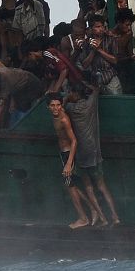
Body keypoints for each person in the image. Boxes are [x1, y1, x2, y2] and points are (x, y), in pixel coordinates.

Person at [64, 84, 122, 226]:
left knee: (89, 187)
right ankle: (115, 216)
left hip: (82, 155)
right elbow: (96, 87)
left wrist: (66, 99)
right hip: (95, 153)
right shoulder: (91, 103)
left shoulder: (71, 109)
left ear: (74, 93)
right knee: (102, 186)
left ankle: (102, 218)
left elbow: (64, 104)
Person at [48, 95, 104, 229]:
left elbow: (74, 141)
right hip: (64, 154)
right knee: (71, 185)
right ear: (48, 107)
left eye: (58, 105)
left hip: (69, 154)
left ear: (61, 106)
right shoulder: (55, 116)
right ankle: (92, 209)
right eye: (53, 105)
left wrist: (69, 163)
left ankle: (83, 218)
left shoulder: (64, 119)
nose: (56, 108)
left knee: (70, 186)